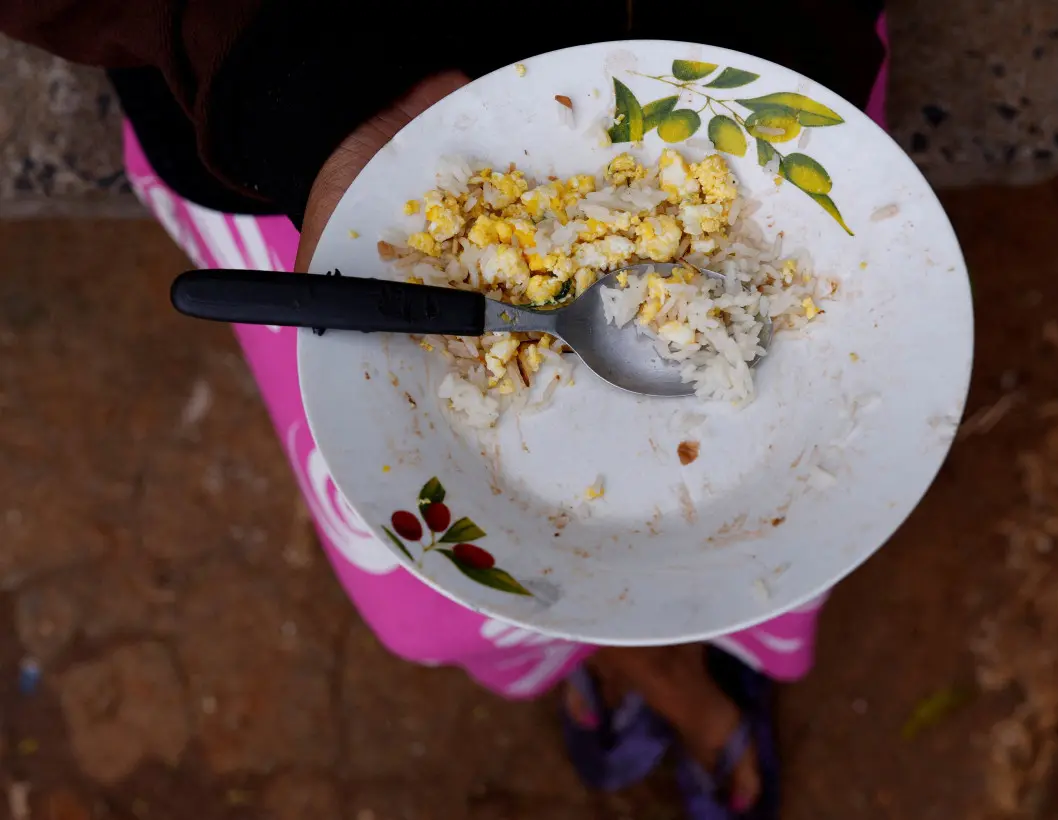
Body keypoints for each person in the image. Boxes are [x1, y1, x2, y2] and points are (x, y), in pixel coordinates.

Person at [2, 4, 887, 816]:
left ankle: (661, 658)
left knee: (782, 511)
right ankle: (641, 666)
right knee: (446, 593)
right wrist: (298, 78)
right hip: (299, 137)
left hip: (759, 83)